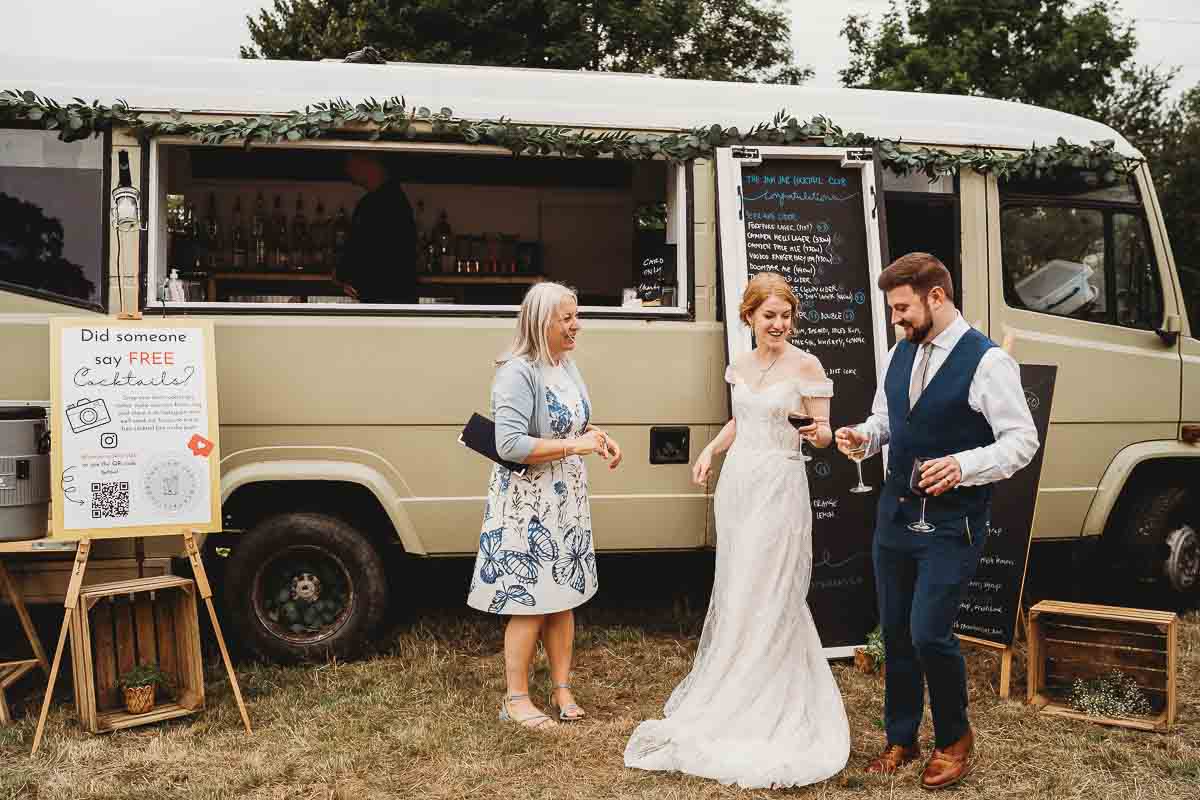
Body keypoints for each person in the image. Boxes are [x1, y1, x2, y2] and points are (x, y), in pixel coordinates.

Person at [624, 272, 850, 789]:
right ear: (749, 316)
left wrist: (817, 431)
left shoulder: (807, 365)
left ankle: (768, 692)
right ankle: (733, 678)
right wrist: (710, 449)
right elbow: (739, 423)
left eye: (786, 316)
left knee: (773, 587)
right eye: (769, 315)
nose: (778, 324)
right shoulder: (739, 366)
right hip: (740, 487)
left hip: (779, 486)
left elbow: (823, 435)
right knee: (740, 586)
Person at [835, 253, 1038, 790]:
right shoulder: (898, 351)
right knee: (897, 631)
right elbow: (887, 419)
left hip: (953, 525)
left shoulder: (989, 362)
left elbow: (1022, 440)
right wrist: (864, 435)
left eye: (903, 308)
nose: (897, 318)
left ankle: (954, 738)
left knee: (929, 633)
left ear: (937, 297)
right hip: (895, 517)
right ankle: (902, 735)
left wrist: (964, 465)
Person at [467, 281, 623, 730]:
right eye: (567, 318)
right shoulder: (517, 372)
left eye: (577, 316)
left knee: (563, 596)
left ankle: (561, 688)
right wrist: (576, 446)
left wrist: (601, 439)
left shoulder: (565, 365)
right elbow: (510, 443)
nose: (577, 326)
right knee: (530, 601)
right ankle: (515, 699)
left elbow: (577, 421)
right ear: (541, 322)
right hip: (528, 502)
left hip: (566, 497)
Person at [338, 151, 417, 303]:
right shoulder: (395, 197)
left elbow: (359, 251)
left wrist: (342, 274)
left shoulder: (373, 204)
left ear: (369, 164)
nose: (348, 170)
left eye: (351, 164)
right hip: (398, 298)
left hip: (382, 298)